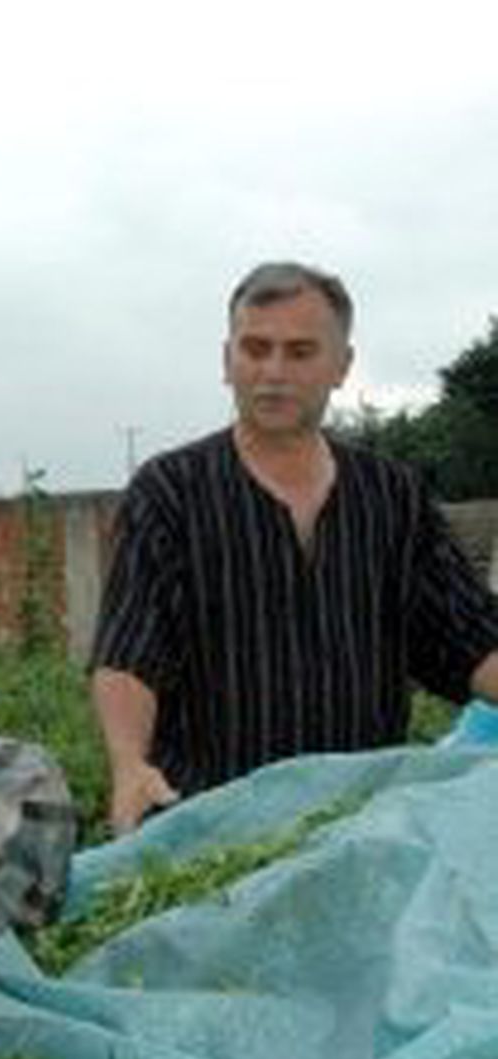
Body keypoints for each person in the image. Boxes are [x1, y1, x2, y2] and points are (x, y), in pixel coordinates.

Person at [90, 261, 498, 835]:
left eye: (301, 352)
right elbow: (131, 651)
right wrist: (129, 765)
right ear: (226, 359)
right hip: (211, 826)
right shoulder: (171, 491)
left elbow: (468, 637)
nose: (273, 372)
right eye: (255, 349)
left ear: (342, 365)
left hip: (359, 827)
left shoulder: (390, 494)